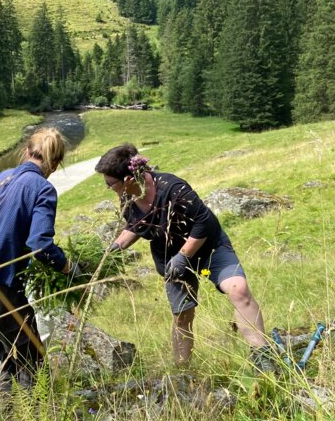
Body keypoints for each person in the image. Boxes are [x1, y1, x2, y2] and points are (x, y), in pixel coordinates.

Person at [95, 144, 272, 371]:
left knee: (239, 289)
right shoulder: (128, 197)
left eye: (110, 184)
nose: (108, 188)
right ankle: (183, 371)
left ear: (128, 179)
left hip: (208, 247)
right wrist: (115, 247)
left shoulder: (173, 188)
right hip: (170, 259)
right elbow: (136, 225)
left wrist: (183, 256)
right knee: (182, 314)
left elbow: (203, 221)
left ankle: (263, 357)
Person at [0, 127, 77, 396]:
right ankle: (36, 419)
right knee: (33, 363)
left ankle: (8, 417)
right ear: (55, 163)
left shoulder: (0, 179)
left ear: (27, 151)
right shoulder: (43, 189)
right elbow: (41, 245)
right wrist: (68, 268)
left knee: (9, 359)